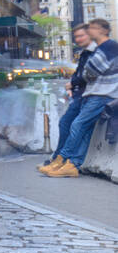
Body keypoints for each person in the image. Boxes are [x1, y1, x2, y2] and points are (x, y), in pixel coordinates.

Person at [45, 18, 118, 177]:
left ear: (103, 30)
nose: (90, 31)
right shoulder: (100, 48)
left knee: (77, 125)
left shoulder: (109, 47)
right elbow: (87, 72)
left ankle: (62, 159)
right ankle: (73, 164)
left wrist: (84, 76)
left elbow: (90, 72)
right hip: (94, 94)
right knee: (84, 130)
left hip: (102, 95)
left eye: (93, 28)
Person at [38, 24, 97, 173]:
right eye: (76, 36)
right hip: (81, 95)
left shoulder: (94, 53)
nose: (78, 39)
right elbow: (79, 73)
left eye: (81, 35)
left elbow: (88, 75)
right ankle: (64, 159)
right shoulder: (86, 53)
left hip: (88, 95)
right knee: (73, 125)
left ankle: (62, 159)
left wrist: (72, 84)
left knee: (71, 124)